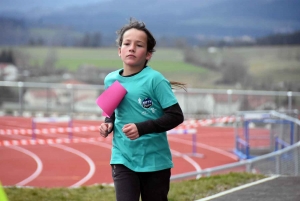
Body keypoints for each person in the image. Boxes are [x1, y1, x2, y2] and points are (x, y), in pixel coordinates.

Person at [99, 18, 185, 201]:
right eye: (127, 43)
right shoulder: (111, 80)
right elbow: (111, 112)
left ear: (148, 54)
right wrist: (108, 124)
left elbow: (176, 116)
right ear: (119, 51)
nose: (131, 48)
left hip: (155, 161)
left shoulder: (155, 80)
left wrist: (141, 128)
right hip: (123, 158)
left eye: (139, 45)